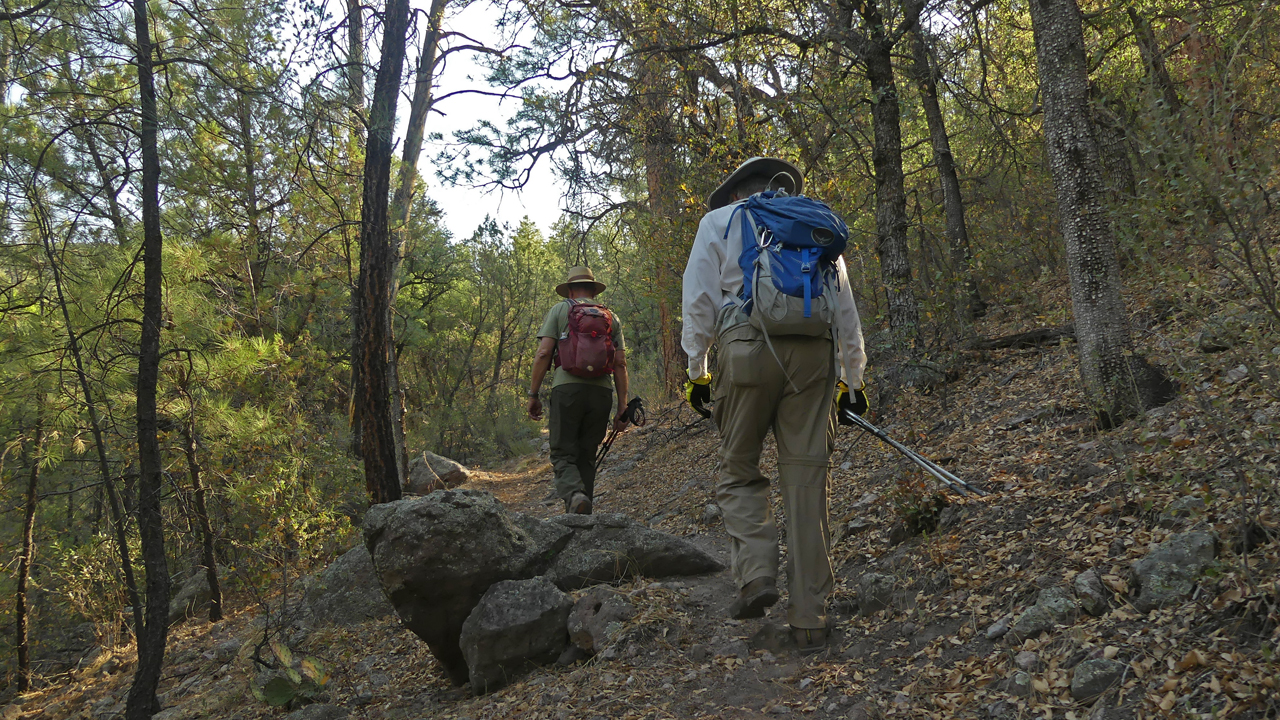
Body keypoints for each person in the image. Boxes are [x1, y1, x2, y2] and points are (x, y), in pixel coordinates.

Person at [681, 157, 867, 652]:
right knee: (807, 479)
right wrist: (854, 381)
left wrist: (697, 369)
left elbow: (698, 301)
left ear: (736, 191)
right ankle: (810, 618)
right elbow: (844, 312)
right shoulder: (813, 227)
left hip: (744, 348)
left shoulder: (718, 222)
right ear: (779, 189)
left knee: (738, 468)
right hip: (814, 358)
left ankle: (758, 575)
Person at [528, 266, 630, 514]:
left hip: (567, 388)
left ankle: (574, 496)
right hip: (601, 393)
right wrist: (622, 406)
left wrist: (533, 394)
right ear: (594, 290)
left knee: (563, 451)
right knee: (587, 454)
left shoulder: (560, 310)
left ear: (570, 290)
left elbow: (543, 353)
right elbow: (620, 363)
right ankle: (584, 514)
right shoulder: (611, 317)